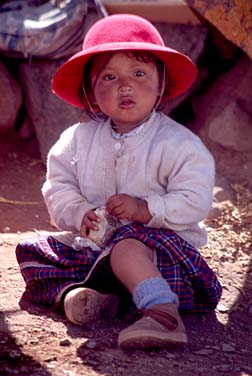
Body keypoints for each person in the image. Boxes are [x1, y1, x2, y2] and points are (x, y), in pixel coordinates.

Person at [16, 13, 222, 350]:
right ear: (91, 94)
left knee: (126, 246)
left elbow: (196, 199)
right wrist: (78, 211)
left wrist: (146, 208)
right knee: (33, 252)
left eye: (139, 74)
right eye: (109, 77)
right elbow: (58, 185)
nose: (125, 86)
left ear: (161, 85)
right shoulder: (77, 139)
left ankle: (163, 313)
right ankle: (95, 298)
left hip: (163, 261)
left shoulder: (177, 144)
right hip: (97, 253)